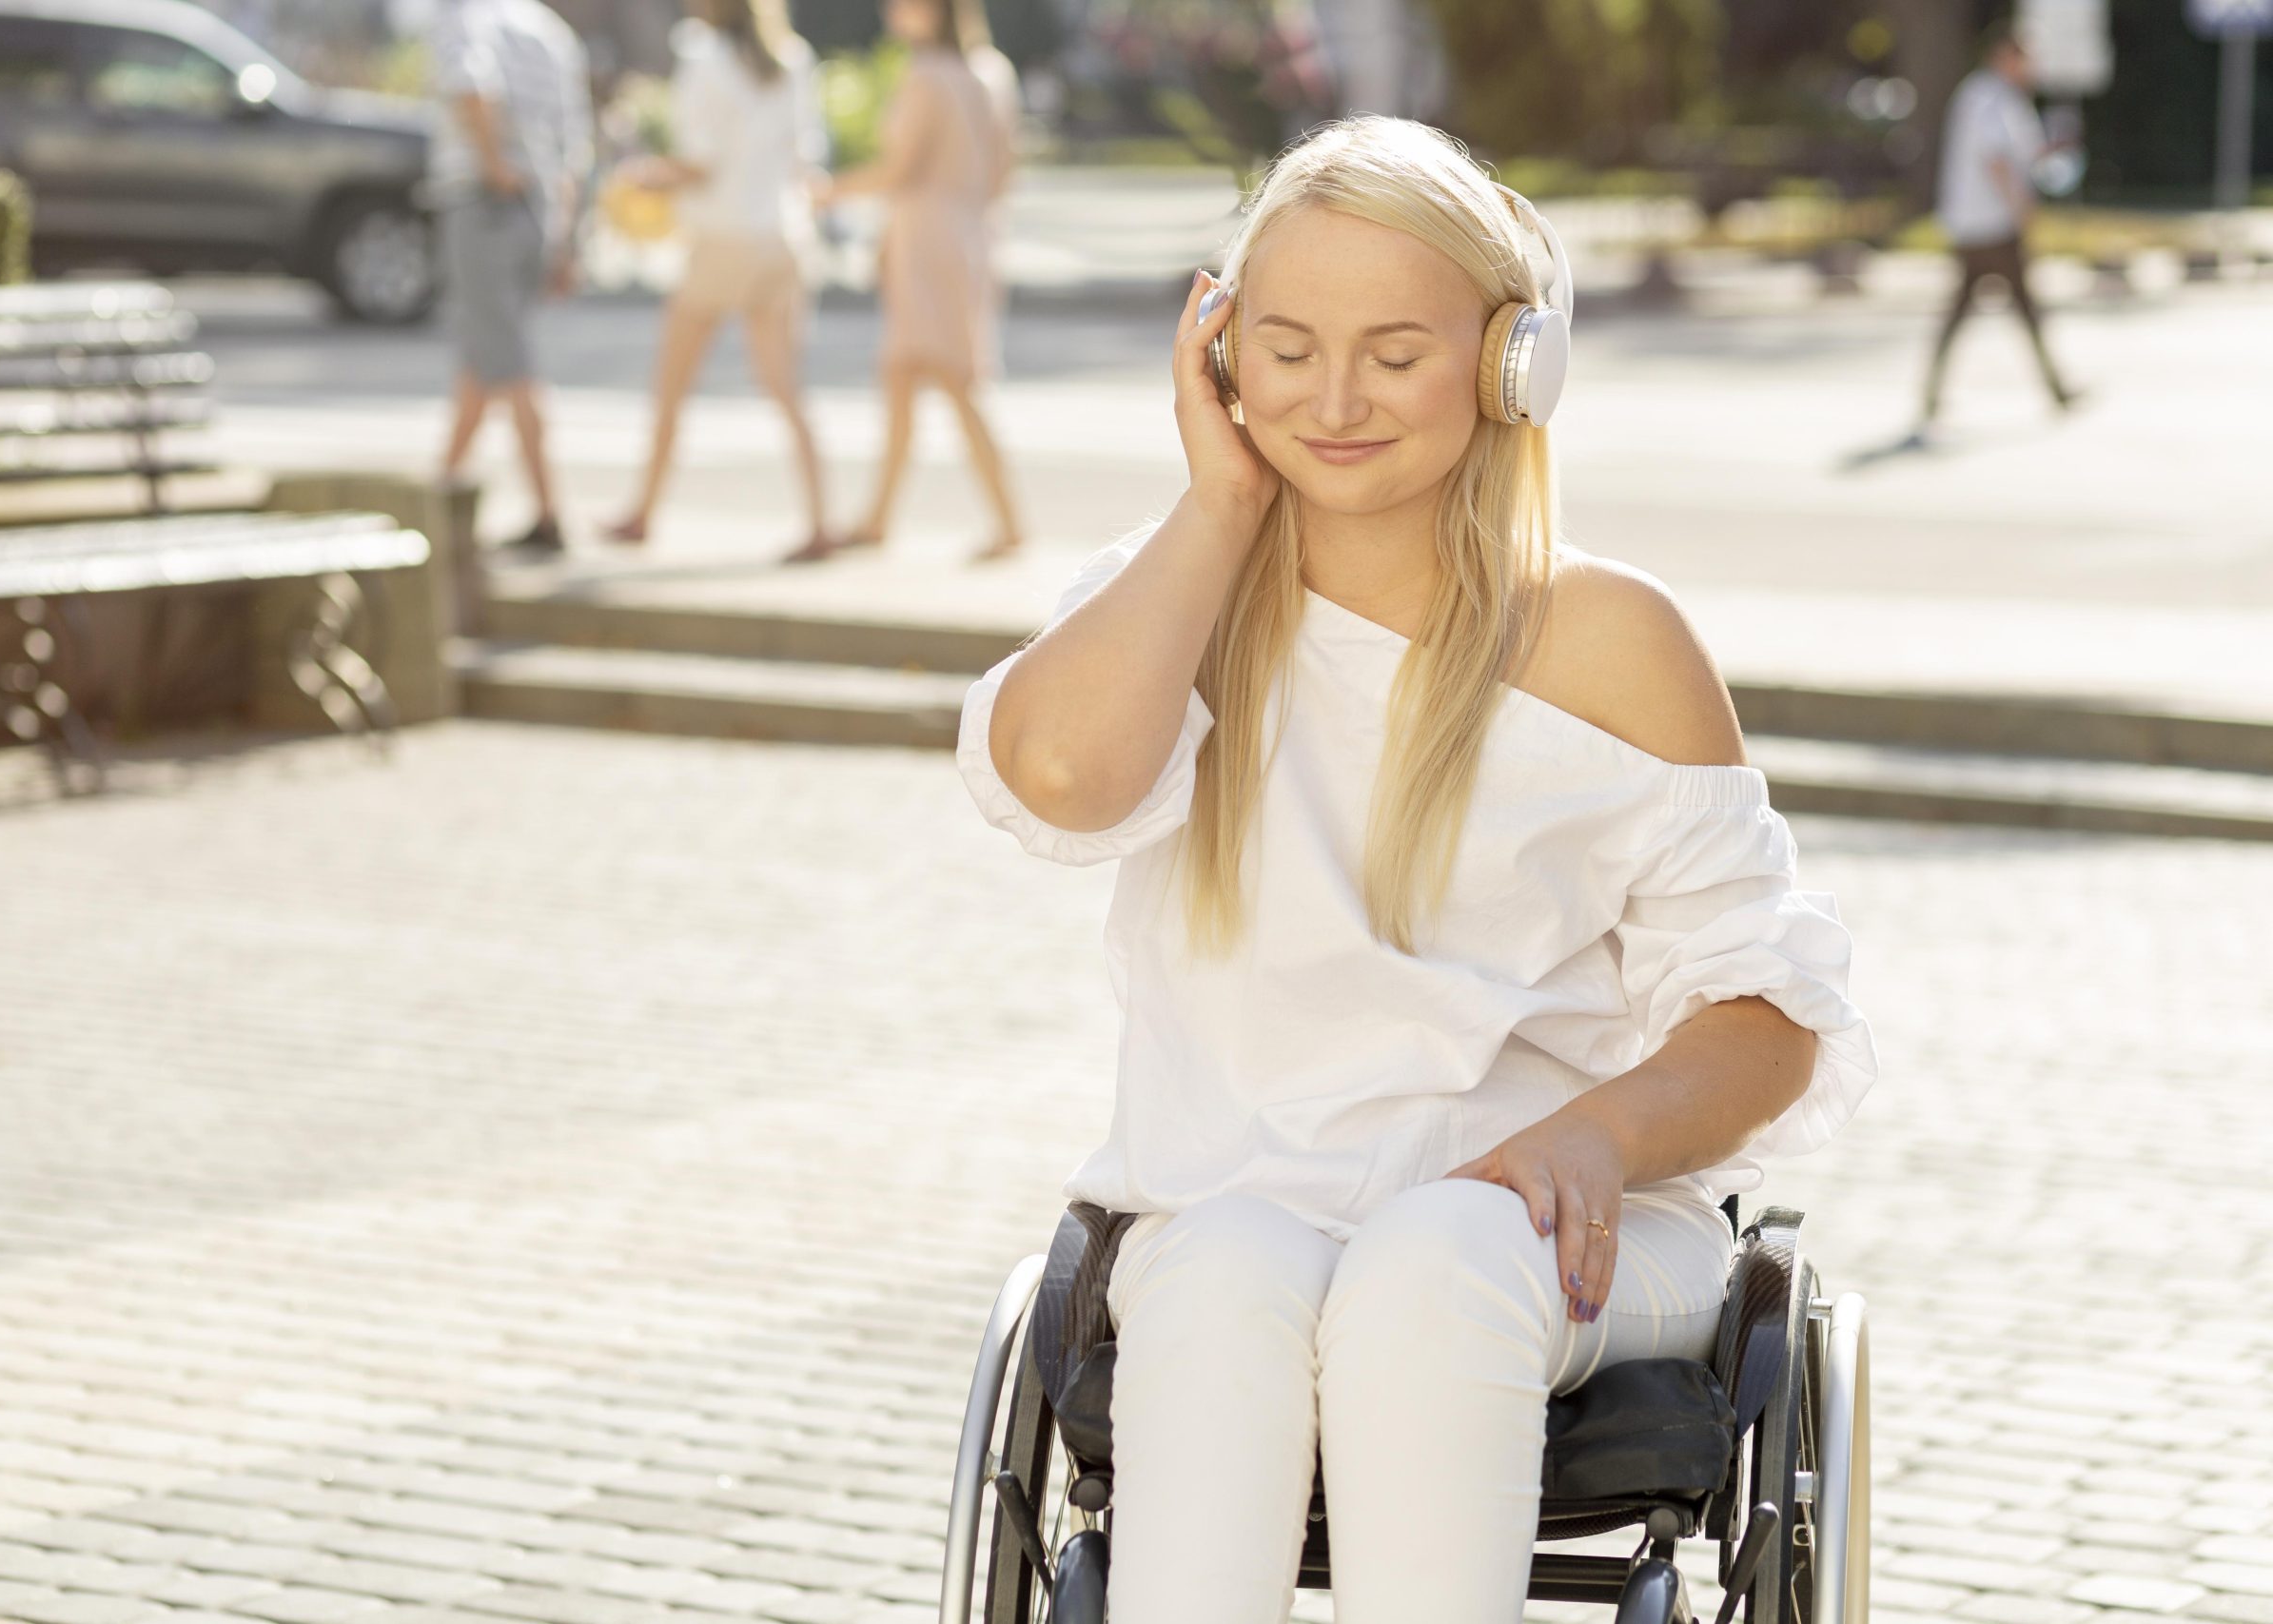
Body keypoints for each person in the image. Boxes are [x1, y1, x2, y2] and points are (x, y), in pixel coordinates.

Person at [955, 118, 1876, 1624]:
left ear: (1515, 361)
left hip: (1557, 1228)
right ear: (1220, 353)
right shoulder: (1172, 597)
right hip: (1234, 1204)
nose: (1333, 400)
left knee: (1435, 1254)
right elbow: (1057, 775)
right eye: (1286, 349)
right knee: (1225, 1260)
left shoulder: (1613, 640)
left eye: (1394, 353)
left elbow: (1767, 1014)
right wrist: (1221, 504)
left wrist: (1600, 1131)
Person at [600, 0, 832, 558]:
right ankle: (821, 521)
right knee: (788, 391)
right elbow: (806, 160)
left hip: (723, 239)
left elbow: (701, 163)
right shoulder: (793, 57)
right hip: (782, 236)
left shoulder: (704, 56)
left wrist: (645, 177)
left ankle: (643, 511)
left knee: (672, 385)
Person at [806, 0, 1023, 565]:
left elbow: (900, 171)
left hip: (927, 238)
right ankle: (878, 517)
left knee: (955, 378)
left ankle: (1009, 521)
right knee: (903, 374)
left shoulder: (927, 73)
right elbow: (1005, 169)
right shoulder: (994, 70)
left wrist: (827, 191)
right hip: (968, 234)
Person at [431, 0, 594, 554]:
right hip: (537, 210)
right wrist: (564, 233)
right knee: (485, 354)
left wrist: (495, 165)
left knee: (509, 359)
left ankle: (549, 514)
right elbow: (574, 143)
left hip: (485, 203)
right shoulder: (549, 31)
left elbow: (470, 87)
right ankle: (440, 492)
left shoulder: (464, 15)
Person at [1922, 22, 2078, 426]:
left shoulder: (1999, 97)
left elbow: (2023, 153)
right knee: (2023, 308)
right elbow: (1996, 160)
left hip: (1978, 224)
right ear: (2005, 57)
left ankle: (1931, 394)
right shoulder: (1987, 96)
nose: (2031, 67)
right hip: (1988, 224)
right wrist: (2021, 208)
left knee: (1968, 310)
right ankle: (2056, 388)